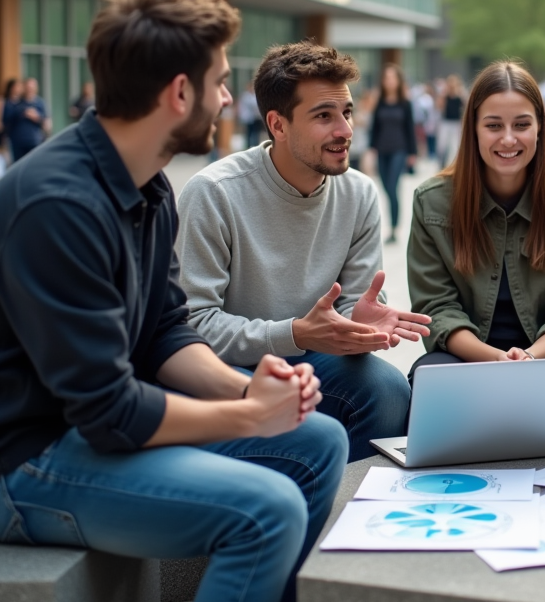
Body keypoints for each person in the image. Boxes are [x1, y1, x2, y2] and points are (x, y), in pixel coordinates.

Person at [0, 0, 347, 602]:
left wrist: (252, 388)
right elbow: (109, 411)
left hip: (84, 432)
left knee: (317, 438)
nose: (230, 100)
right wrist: (244, 415)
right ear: (180, 93)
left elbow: (164, 331)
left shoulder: (148, 186)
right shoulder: (57, 207)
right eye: (221, 83)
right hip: (14, 465)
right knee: (268, 511)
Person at [176, 42, 428, 462]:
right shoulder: (213, 193)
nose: (345, 130)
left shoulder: (360, 192)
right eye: (324, 116)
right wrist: (292, 334)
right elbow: (192, 325)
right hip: (234, 367)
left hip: (317, 359)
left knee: (387, 390)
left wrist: (359, 324)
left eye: (346, 113)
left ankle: (350, 504)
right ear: (278, 124)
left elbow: (349, 309)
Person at [407, 61, 545, 453]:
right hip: (467, 355)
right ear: (473, 128)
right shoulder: (433, 201)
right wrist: (494, 359)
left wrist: (528, 359)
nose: (508, 139)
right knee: (429, 373)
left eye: (521, 125)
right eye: (493, 125)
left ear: (541, 128)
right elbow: (436, 308)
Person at [368, 64, 417, 244]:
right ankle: (392, 225)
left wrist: (413, 153)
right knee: (385, 188)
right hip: (382, 149)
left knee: (392, 186)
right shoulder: (379, 102)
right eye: (386, 78)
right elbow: (375, 127)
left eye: (392, 78)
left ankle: (395, 228)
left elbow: (410, 129)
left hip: (400, 149)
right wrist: (371, 148)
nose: (389, 81)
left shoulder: (405, 104)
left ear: (398, 81)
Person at [2, 77, 49, 162]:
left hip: (34, 141)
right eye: (28, 87)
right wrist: (23, 113)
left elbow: (47, 124)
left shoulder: (40, 103)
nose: (30, 90)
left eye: (32, 88)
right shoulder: (16, 102)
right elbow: (6, 120)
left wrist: (36, 117)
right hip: (18, 142)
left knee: (34, 166)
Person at [437, 73, 466, 166]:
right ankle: (441, 163)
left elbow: (465, 107)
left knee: (454, 145)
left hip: (456, 122)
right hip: (446, 122)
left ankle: (453, 164)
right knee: (442, 145)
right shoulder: (445, 96)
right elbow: (439, 107)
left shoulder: (459, 96)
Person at [237, 80, 265, 147]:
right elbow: (251, 105)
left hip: (256, 118)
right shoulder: (246, 96)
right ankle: (248, 145)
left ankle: (256, 145)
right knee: (249, 133)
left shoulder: (255, 96)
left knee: (256, 133)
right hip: (248, 118)